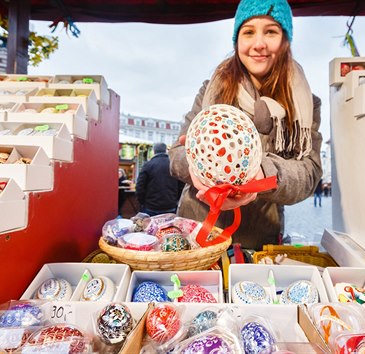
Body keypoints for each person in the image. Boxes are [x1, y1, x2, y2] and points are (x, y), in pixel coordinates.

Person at [169, 0, 323, 250]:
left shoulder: (305, 103)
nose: (259, 43)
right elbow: (176, 154)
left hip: (258, 240)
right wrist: (198, 167)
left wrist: (261, 173)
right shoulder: (211, 90)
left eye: (271, 31)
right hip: (199, 231)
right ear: (237, 40)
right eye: (248, 31)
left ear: (285, 40)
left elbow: (309, 172)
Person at [135, 142, 184, 216]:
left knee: (150, 227)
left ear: (154, 151)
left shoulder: (148, 165)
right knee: (168, 227)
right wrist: (176, 201)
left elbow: (140, 187)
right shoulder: (173, 165)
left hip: (151, 207)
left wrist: (143, 202)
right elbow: (181, 185)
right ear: (165, 150)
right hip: (170, 206)